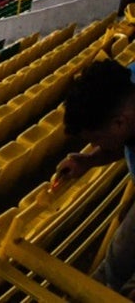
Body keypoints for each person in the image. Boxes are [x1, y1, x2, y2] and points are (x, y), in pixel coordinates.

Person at [52, 59, 135, 293]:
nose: (93, 145)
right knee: (118, 258)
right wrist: (88, 160)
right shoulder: (126, 86)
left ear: (119, 123)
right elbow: (124, 141)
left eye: (96, 139)